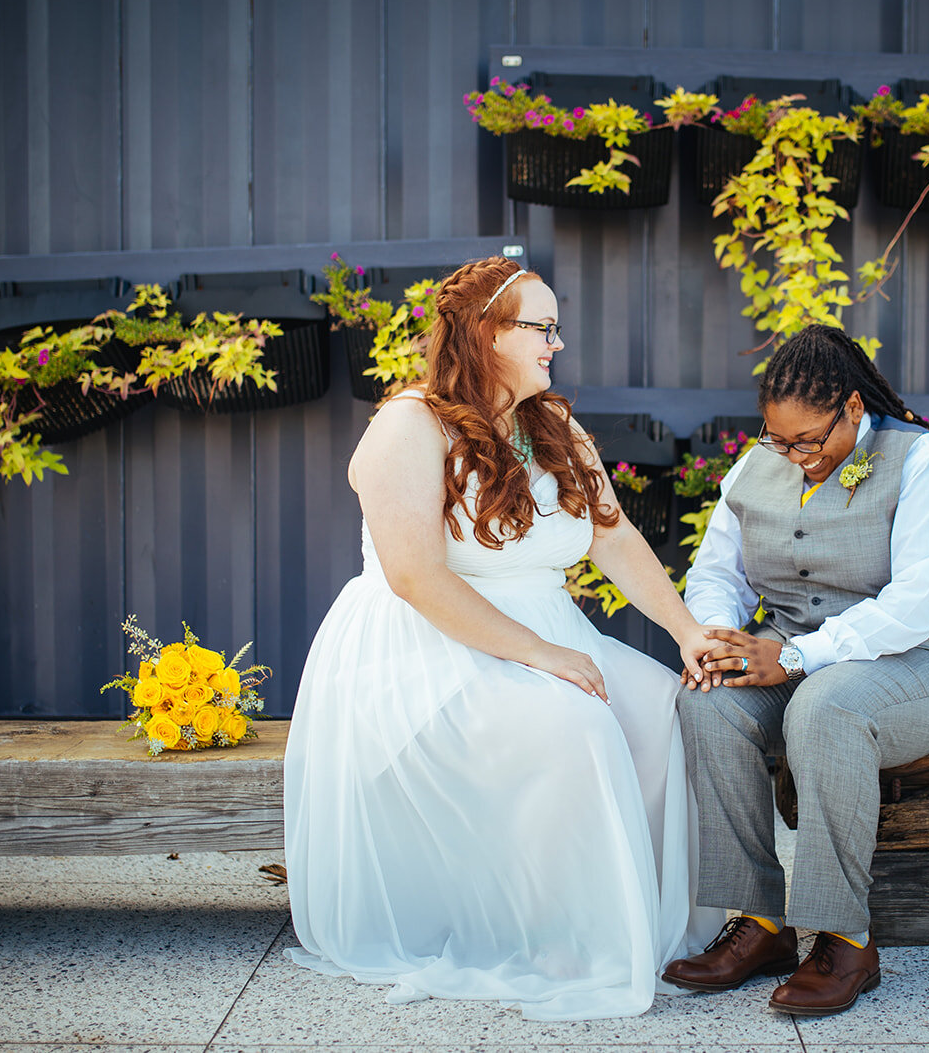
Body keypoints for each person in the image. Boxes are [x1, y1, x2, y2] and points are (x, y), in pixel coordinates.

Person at [283, 256, 723, 1021]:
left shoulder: (549, 423)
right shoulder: (408, 425)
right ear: (486, 333)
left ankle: (639, 925)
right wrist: (543, 655)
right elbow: (416, 577)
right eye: (541, 327)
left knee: (657, 707)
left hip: (540, 628)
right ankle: (553, 937)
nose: (556, 343)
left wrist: (686, 632)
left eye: (556, 328)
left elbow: (613, 540)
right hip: (425, 649)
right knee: (574, 722)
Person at [662, 323, 929, 1017]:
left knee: (825, 706)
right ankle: (762, 924)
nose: (795, 455)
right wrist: (717, 636)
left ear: (855, 410)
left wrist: (799, 655)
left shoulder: (924, 462)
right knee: (706, 702)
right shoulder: (756, 465)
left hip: (911, 668)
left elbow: (916, 605)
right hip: (788, 657)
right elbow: (716, 571)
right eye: (781, 440)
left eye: (810, 440)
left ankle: (845, 938)